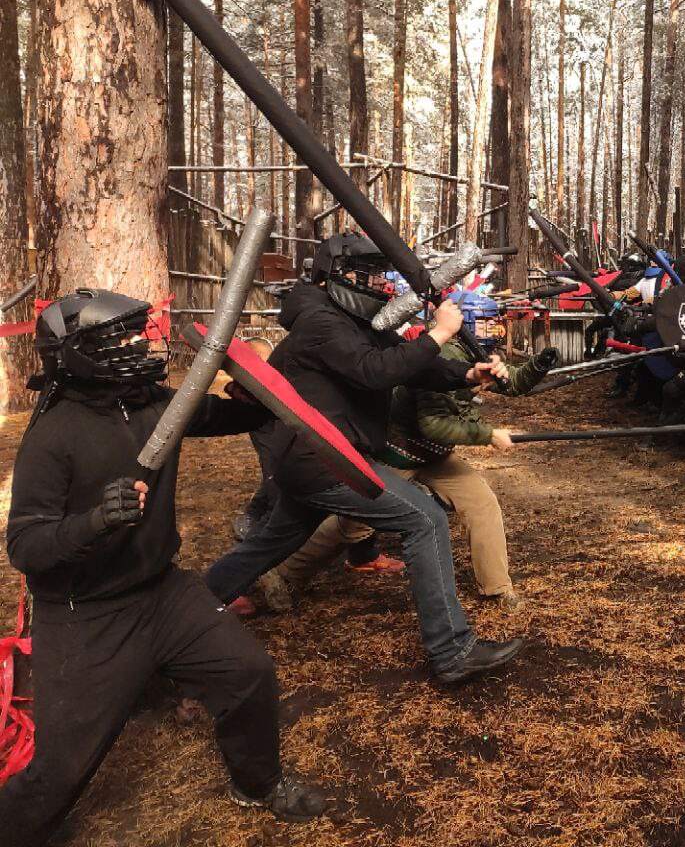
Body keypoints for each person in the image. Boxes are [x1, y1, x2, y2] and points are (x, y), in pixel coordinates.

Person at [0, 290, 325, 846]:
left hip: (163, 591)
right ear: (82, 355)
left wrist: (255, 395)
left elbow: (220, 415)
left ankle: (259, 783)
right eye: (122, 337)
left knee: (247, 673)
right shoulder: (54, 435)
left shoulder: (151, 402)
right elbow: (25, 547)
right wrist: (97, 520)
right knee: (60, 770)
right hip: (86, 613)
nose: (140, 343)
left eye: (138, 331)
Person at [204, 233, 522, 685]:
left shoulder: (350, 319)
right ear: (338, 276)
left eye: (381, 274)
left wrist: (467, 372)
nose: (381, 284)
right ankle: (452, 650)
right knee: (425, 519)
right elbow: (376, 372)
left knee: (270, 543)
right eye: (370, 275)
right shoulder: (321, 323)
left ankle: (191, 606)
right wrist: (439, 333)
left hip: (313, 457)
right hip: (320, 459)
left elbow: (404, 362)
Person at [258, 293, 561, 613]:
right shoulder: (444, 353)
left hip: (434, 456)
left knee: (481, 503)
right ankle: (283, 573)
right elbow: (434, 425)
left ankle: (497, 588)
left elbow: (511, 382)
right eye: (486, 323)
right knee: (354, 524)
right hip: (399, 453)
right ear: (467, 324)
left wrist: (539, 365)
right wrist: (488, 435)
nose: (494, 330)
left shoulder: (475, 351)